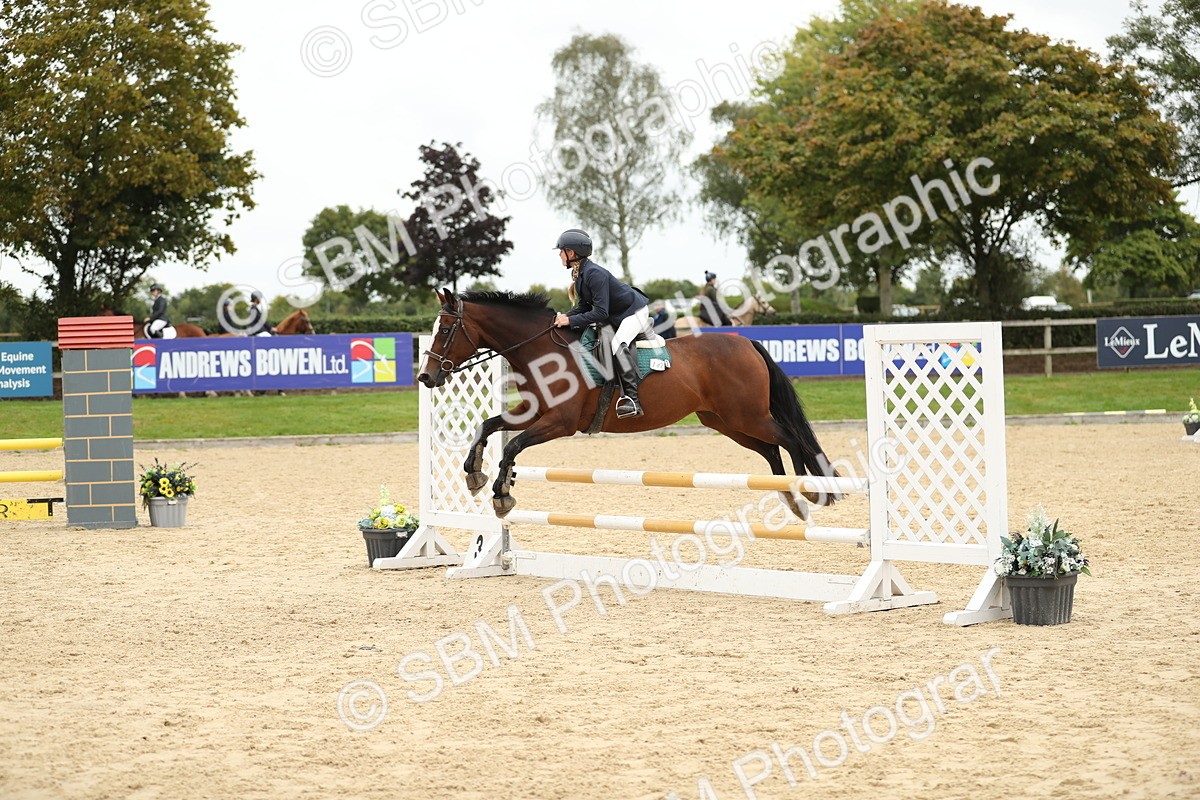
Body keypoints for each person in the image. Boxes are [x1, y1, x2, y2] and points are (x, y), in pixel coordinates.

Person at [551, 228, 651, 418]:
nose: (559, 255)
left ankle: (632, 400)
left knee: (616, 344)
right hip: (618, 314)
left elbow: (600, 312)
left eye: (561, 251)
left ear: (571, 253)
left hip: (633, 312)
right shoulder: (579, 274)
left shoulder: (594, 273)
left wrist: (571, 320)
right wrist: (565, 317)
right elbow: (584, 306)